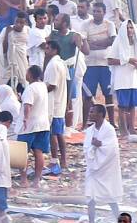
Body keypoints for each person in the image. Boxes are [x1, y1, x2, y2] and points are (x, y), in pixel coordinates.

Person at [84, 104, 123, 223]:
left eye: (92, 112)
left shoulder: (109, 129)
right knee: (90, 197)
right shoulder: (90, 130)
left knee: (111, 198)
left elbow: (112, 148)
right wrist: (93, 147)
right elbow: (86, 147)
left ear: (100, 114)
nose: (89, 114)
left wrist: (100, 145)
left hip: (106, 169)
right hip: (93, 168)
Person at [107, 19, 137, 138]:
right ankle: (123, 129)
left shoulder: (135, 43)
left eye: (131, 28)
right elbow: (110, 60)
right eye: (128, 28)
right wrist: (127, 60)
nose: (130, 30)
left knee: (132, 105)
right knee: (123, 106)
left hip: (132, 78)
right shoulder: (118, 43)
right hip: (121, 79)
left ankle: (132, 128)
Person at [52, 13, 89, 131]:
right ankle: (58, 125)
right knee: (56, 97)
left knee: (68, 99)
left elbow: (86, 51)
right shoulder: (53, 34)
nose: (54, 21)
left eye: (57, 20)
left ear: (64, 23)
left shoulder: (73, 36)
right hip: (56, 69)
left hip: (68, 69)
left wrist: (83, 40)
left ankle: (68, 127)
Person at [83, 3, 117, 127]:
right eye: (94, 11)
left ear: (104, 12)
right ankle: (85, 123)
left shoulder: (110, 24)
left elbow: (112, 41)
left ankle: (112, 122)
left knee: (108, 94)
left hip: (105, 64)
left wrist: (95, 43)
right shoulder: (86, 24)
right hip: (90, 65)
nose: (96, 13)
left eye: (99, 11)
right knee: (87, 95)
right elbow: (84, 43)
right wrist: (102, 43)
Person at [19, 65, 51, 186]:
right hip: (43, 124)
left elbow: (28, 105)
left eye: (27, 73)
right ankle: (37, 180)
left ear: (31, 75)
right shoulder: (43, 86)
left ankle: (24, 180)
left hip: (30, 125)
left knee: (22, 153)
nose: (25, 75)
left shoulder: (30, 88)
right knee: (38, 152)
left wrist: (25, 119)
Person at [44, 41, 69, 173]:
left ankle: (55, 160)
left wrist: (40, 91)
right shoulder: (60, 63)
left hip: (54, 104)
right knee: (58, 134)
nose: (45, 51)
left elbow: (52, 85)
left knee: (54, 134)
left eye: (47, 49)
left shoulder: (54, 64)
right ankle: (63, 160)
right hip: (59, 103)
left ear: (54, 50)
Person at [1, 12, 30, 91]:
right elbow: (3, 46)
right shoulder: (8, 30)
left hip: (23, 61)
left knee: (23, 83)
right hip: (11, 61)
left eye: (21, 23)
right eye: (17, 22)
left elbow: (28, 46)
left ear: (25, 23)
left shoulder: (27, 30)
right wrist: (8, 33)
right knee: (9, 83)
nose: (18, 24)